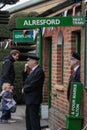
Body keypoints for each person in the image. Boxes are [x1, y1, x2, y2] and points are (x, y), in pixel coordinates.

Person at [22, 55, 45, 130]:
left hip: (34, 99)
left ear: (34, 61)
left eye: (29, 61)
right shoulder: (32, 71)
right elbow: (26, 81)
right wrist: (25, 71)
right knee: (29, 119)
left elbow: (34, 84)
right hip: (29, 99)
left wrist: (25, 89)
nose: (28, 62)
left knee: (34, 120)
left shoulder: (39, 71)